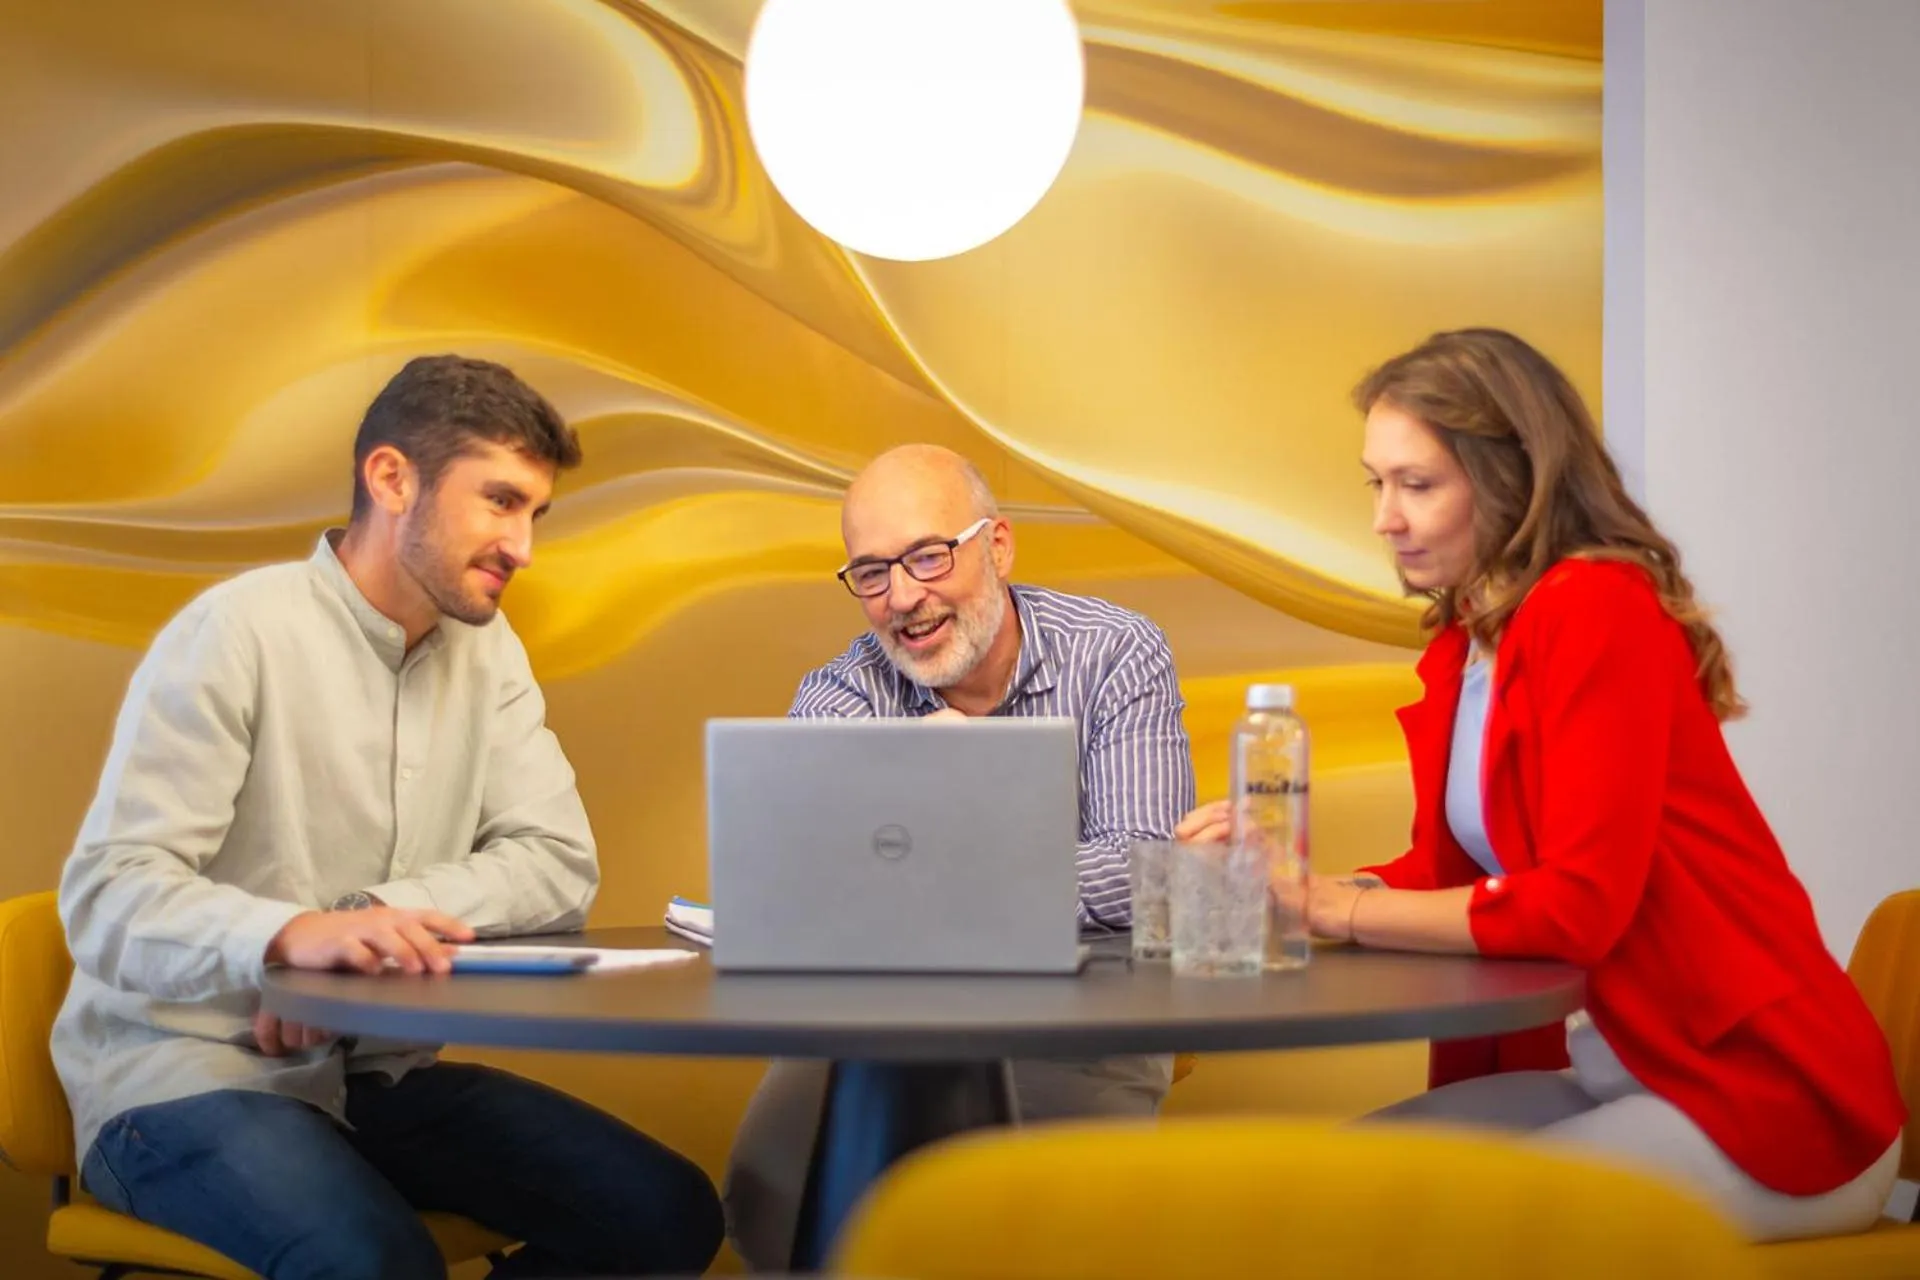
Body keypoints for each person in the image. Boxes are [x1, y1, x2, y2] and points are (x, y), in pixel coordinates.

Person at [1178, 328, 1905, 1242]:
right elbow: (1455, 875)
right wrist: (1304, 888)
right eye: (1377, 483)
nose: (1385, 519)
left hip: (1766, 1104)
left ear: (1511, 479)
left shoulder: (1594, 606)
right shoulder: (1475, 640)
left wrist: (1336, 909)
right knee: (1323, 1194)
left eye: (1417, 484)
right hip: (1629, 1072)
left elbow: (1576, 906)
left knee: (1404, 1229)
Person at [52, 355, 725, 1279]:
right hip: (185, 1078)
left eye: (535, 513)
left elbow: (557, 862)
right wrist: (285, 940)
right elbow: (109, 895)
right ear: (392, 479)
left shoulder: (489, 654)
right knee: (378, 1264)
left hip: (373, 1078)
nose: (523, 546)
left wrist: (364, 922)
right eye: (500, 501)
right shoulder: (236, 631)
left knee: (667, 1215)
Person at [723, 443, 1196, 1269]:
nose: (904, 596)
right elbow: (813, 893)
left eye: (928, 556)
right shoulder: (838, 696)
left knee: (1030, 1232)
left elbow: (1150, 871)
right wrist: (1010, 871)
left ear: (997, 546)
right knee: (772, 1205)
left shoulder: (1117, 653)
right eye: (872, 573)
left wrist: (964, 822)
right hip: (872, 1030)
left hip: (1081, 1024)